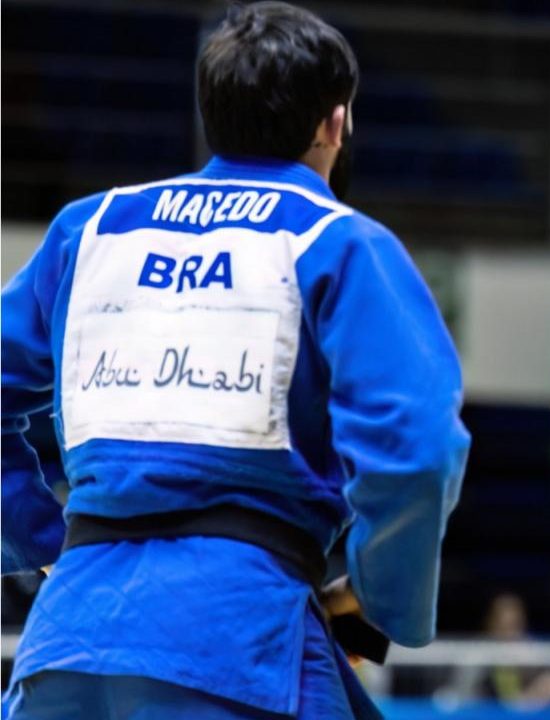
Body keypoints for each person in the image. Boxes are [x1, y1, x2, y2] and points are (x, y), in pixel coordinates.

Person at [1, 3, 469, 718]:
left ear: (210, 111)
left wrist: (39, 538)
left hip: (66, 648)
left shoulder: (88, 229)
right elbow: (416, 450)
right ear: (334, 123)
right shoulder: (340, 243)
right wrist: (380, 597)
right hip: (241, 643)